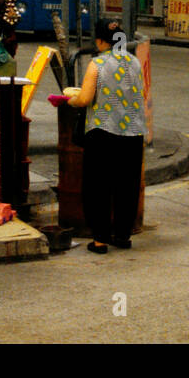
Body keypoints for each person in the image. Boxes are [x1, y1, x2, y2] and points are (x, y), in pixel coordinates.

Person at [64, 19, 153, 253]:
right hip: (132, 133)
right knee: (127, 185)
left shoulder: (98, 64)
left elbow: (84, 99)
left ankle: (101, 240)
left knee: (98, 187)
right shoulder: (134, 62)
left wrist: (70, 100)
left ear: (101, 41)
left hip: (103, 132)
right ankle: (123, 236)